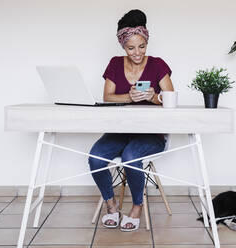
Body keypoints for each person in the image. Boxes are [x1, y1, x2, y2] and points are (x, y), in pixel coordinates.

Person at [88, 9, 174, 232]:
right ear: (122, 47)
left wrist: (153, 97)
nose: (137, 53)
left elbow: (171, 100)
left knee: (130, 156)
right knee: (95, 158)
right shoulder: (115, 64)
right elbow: (107, 97)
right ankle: (111, 204)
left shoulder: (157, 65)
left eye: (142, 46)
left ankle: (136, 207)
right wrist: (129, 96)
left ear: (147, 42)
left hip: (151, 133)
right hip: (120, 130)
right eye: (131, 48)